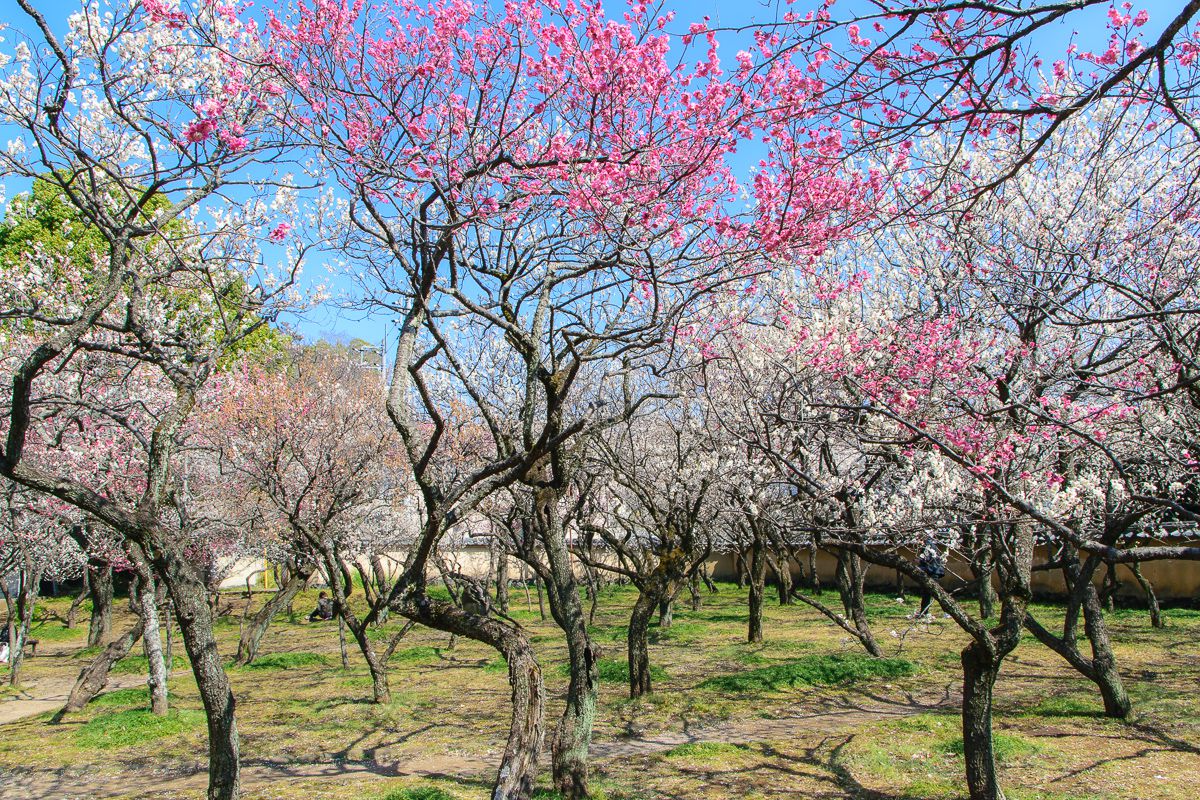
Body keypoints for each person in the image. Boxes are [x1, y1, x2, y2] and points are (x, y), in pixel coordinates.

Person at [915, 535, 947, 619]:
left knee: (936, 593)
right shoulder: (927, 546)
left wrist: (919, 560)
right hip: (931, 571)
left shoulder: (928, 546)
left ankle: (947, 611)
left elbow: (929, 560)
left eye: (917, 539)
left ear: (922, 539)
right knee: (926, 593)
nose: (916, 542)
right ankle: (924, 612)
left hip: (933, 572)